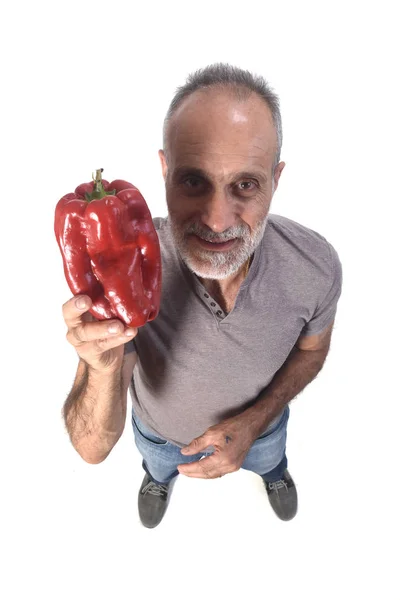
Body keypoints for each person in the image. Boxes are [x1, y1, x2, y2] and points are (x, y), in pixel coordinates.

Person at [61, 63, 343, 529]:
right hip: (158, 435)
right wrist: (102, 368)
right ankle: (157, 478)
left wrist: (255, 422)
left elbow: (313, 350)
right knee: (157, 463)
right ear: (165, 171)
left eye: (246, 185)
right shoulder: (127, 263)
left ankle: (273, 471)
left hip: (264, 429)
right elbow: (91, 448)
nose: (216, 220)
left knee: (270, 457)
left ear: (277, 178)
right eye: (194, 181)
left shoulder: (315, 265)